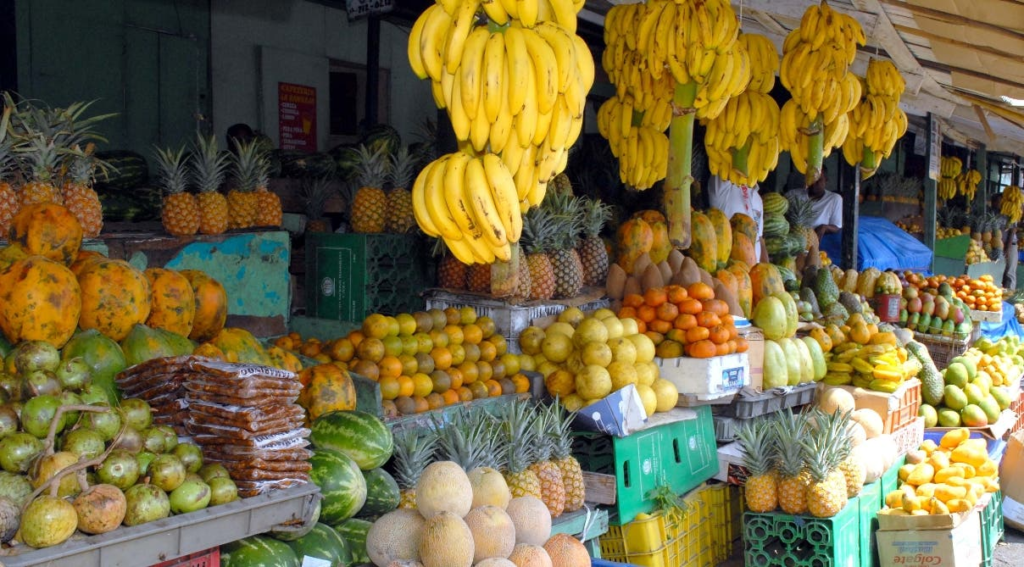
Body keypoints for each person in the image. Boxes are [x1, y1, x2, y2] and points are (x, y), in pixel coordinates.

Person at [708, 175, 769, 262]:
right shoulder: (723, 189)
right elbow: (725, 166)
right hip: (732, 269)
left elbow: (760, 239)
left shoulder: (758, 199)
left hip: (754, 272)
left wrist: (767, 268)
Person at [786, 169, 843, 240]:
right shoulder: (792, 195)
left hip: (818, 241)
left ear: (826, 180)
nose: (814, 182)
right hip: (792, 238)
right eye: (811, 178)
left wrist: (824, 227)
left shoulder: (834, 199)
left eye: (819, 179)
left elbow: (837, 227)